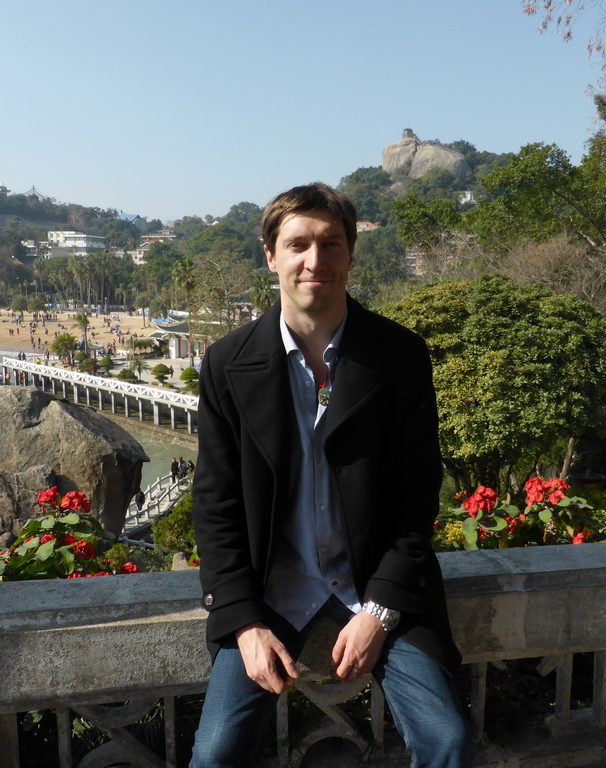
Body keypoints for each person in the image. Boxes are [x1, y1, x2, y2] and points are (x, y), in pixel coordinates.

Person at [190, 182, 470, 767]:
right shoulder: (227, 364)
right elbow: (216, 505)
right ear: (271, 256)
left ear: (350, 255)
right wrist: (243, 623)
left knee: (448, 740)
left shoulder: (397, 357)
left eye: (331, 244)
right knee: (215, 754)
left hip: (375, 588)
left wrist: (381, 611)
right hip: (272, 596)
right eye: (298, 245)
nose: (315, 261)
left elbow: (418, 497)